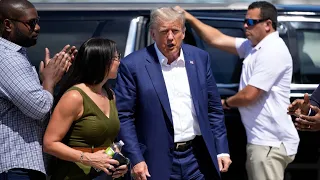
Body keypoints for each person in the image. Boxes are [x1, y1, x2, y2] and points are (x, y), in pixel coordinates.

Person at [175, 1, 299, 180]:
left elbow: (250, 95)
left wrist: (225, 103)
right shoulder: (254, 47)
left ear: (268, 24)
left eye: (250, 22)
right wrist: (189, 18)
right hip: (263, 141)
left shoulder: (273, 51)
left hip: (269, 143)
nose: (244, 26)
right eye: (244, 21)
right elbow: (215, 39)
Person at [115, 7, 231, 180]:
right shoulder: (133, 65)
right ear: (153, 34)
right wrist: (136, 158)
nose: (170, 37)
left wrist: (221, 149)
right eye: (164, 32)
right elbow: (124, 116)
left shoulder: (199, 58)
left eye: (175, 31)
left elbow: (213, 108)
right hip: (156, 160)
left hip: (197, 157)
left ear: (183, 33)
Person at [0, 0, 76, 179]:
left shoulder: (14, 55)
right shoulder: (8, 58)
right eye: (31, 23)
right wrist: (49, 81)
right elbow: (39, 107)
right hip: (16, 166)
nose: (38, 27)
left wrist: (46, 82)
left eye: (37, 20)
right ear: (8, 25)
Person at [43, 38, 128, 180]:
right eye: (115, 57)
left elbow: (108, 142)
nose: (119, 61)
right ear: (101, 62)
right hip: (75, 174)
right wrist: (88, 158)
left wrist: (118, 162)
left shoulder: (110, 94)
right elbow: (49, 144)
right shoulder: (75, 97)